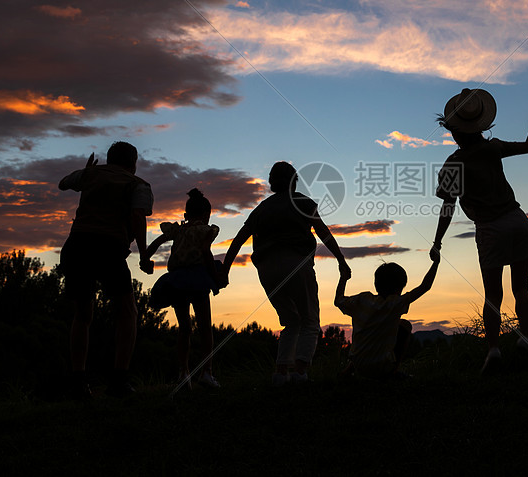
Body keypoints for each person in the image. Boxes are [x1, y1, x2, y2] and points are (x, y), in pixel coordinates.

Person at [431, 88, 528, 374]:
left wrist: (437, 242)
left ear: (453, 130)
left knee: (493, 296)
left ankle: (494, 350)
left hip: (489, 229)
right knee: (521, 287)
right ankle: (526, 340)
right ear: (481, 124)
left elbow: (447, 206)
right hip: (516, 220)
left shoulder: (453, 163)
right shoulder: (493, 148)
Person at [222, 161, 351, 385]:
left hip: (267, 270)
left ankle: (281, 373)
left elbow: (238, 240)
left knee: (291, 321)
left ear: (272, 182)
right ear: (295, 181)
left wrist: (225, 270)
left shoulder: (262, 209)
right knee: (309, 320)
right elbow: (323, 232)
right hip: (296, 265)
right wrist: (340, 259)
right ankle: (300, 373)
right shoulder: (302, 202)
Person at [59, 141, 154, 398]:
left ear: (109, 159)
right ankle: (119, 381)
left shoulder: (91, 174)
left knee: (82, 314)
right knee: (127, 312)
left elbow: (64, 183)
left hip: (77, 246)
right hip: (109, 248)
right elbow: (137, 217)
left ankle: (78, 381)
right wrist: (144, 255)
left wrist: (86, 171)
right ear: (133, 163)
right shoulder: (138, 184)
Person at [143, 188, 226, 390]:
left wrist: (146, 257)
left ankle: (184, 373)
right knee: (205, 326)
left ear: (186, 215)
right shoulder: (206, 230)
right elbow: (206, 251)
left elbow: (157, 241)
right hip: (197, 279)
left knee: (185, 328)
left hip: (177, 281)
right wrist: (215, 277)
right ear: (207, 214)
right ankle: (207, 372)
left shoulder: (177, 230)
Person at [335, 253, 440, 379]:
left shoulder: (362, 300)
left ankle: (347, 371)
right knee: (405, 325)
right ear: (399, 288)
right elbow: (425, 287)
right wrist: (435, 263)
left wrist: (343, 278)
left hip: (359, 365)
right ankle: (393, 373)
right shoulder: (395, 304)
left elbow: (338, 300)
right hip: (381, 368)